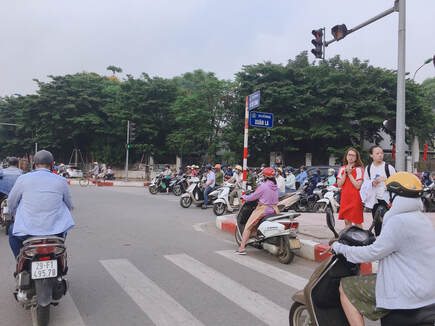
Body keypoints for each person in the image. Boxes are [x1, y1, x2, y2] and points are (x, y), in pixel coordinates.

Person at [332, 172, 435, 326]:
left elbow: (373, 253)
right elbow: (397, 244)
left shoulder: (398, 221)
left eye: (389, 193)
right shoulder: (422, 219)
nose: (387, 198)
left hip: (405, 291)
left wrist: (339, 247)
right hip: (426, 290)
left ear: (396, 196)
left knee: (346, 287)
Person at [7, 150, 75, 258]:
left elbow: (11, 202)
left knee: (11, 232)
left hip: (27, 233)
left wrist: (11, 213)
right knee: (64, 231)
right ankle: (58, 257)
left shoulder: (23, 179)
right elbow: (70, 205)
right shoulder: (61, 180)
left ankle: (19, 259)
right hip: (56, 233)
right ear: (52, 165)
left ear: (34, 164)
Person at [235, 167, 279, 255]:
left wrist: (244, 197)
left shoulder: (264, 185)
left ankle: (242, 248)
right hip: (275, 209)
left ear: (265, 176)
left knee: (248, 227)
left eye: (263, 175)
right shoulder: (275, 186)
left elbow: (253, 197)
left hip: (264, 209)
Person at [360, 146, 396, 220]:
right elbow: (365, 183)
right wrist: (372, 183)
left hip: (387, 199)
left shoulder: (388, 167)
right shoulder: (368, 168)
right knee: (376, 223)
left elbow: (396, 181)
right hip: (375, 199)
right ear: (371, 155)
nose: (380, 155)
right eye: (377, 153)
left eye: (381, 153)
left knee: (388, 221)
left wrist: (385, 179)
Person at [337, 148, 364, 228]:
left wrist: (350, 174)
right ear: (346, 156)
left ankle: (360, 238)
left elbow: (358, 185)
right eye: (349, 155)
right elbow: (339, 184)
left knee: (357, 221)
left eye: (353, 155)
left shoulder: (359, 169)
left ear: (356, 158)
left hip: (355, 198)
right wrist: (345, 173)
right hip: (345, 197)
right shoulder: (342, 169)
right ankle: (348, 239)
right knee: (347, 221)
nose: (350, 157)